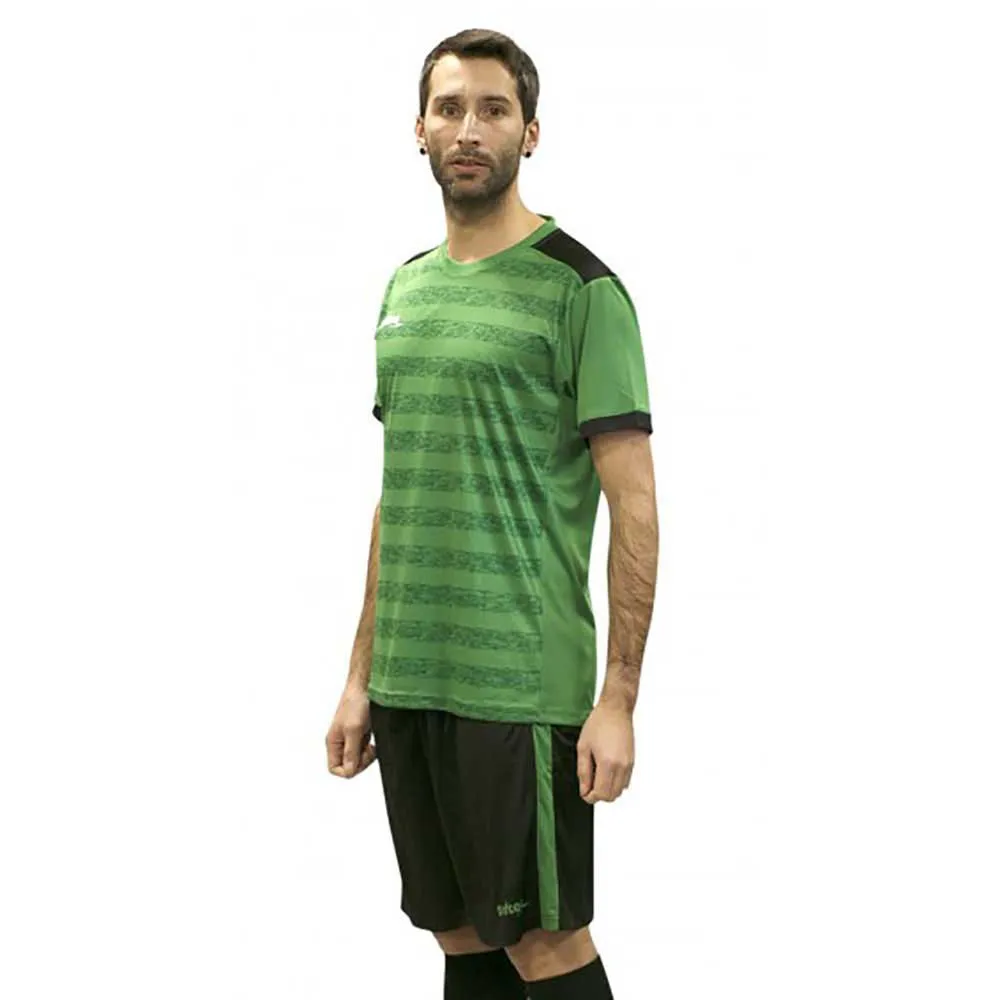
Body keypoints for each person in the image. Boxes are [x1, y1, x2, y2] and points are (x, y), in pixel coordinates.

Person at [325, 28, 659, 1000]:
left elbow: (637, 508)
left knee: (544, 943)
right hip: (410, 680)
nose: (468, 128)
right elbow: (403, 490)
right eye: (450, 108)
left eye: (493, 109)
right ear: (419, 129)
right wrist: (359, 676)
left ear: (530, 132)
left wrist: (618, 699)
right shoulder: (405, 289)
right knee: (461, 936)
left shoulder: (581, 290)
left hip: (521, 690)